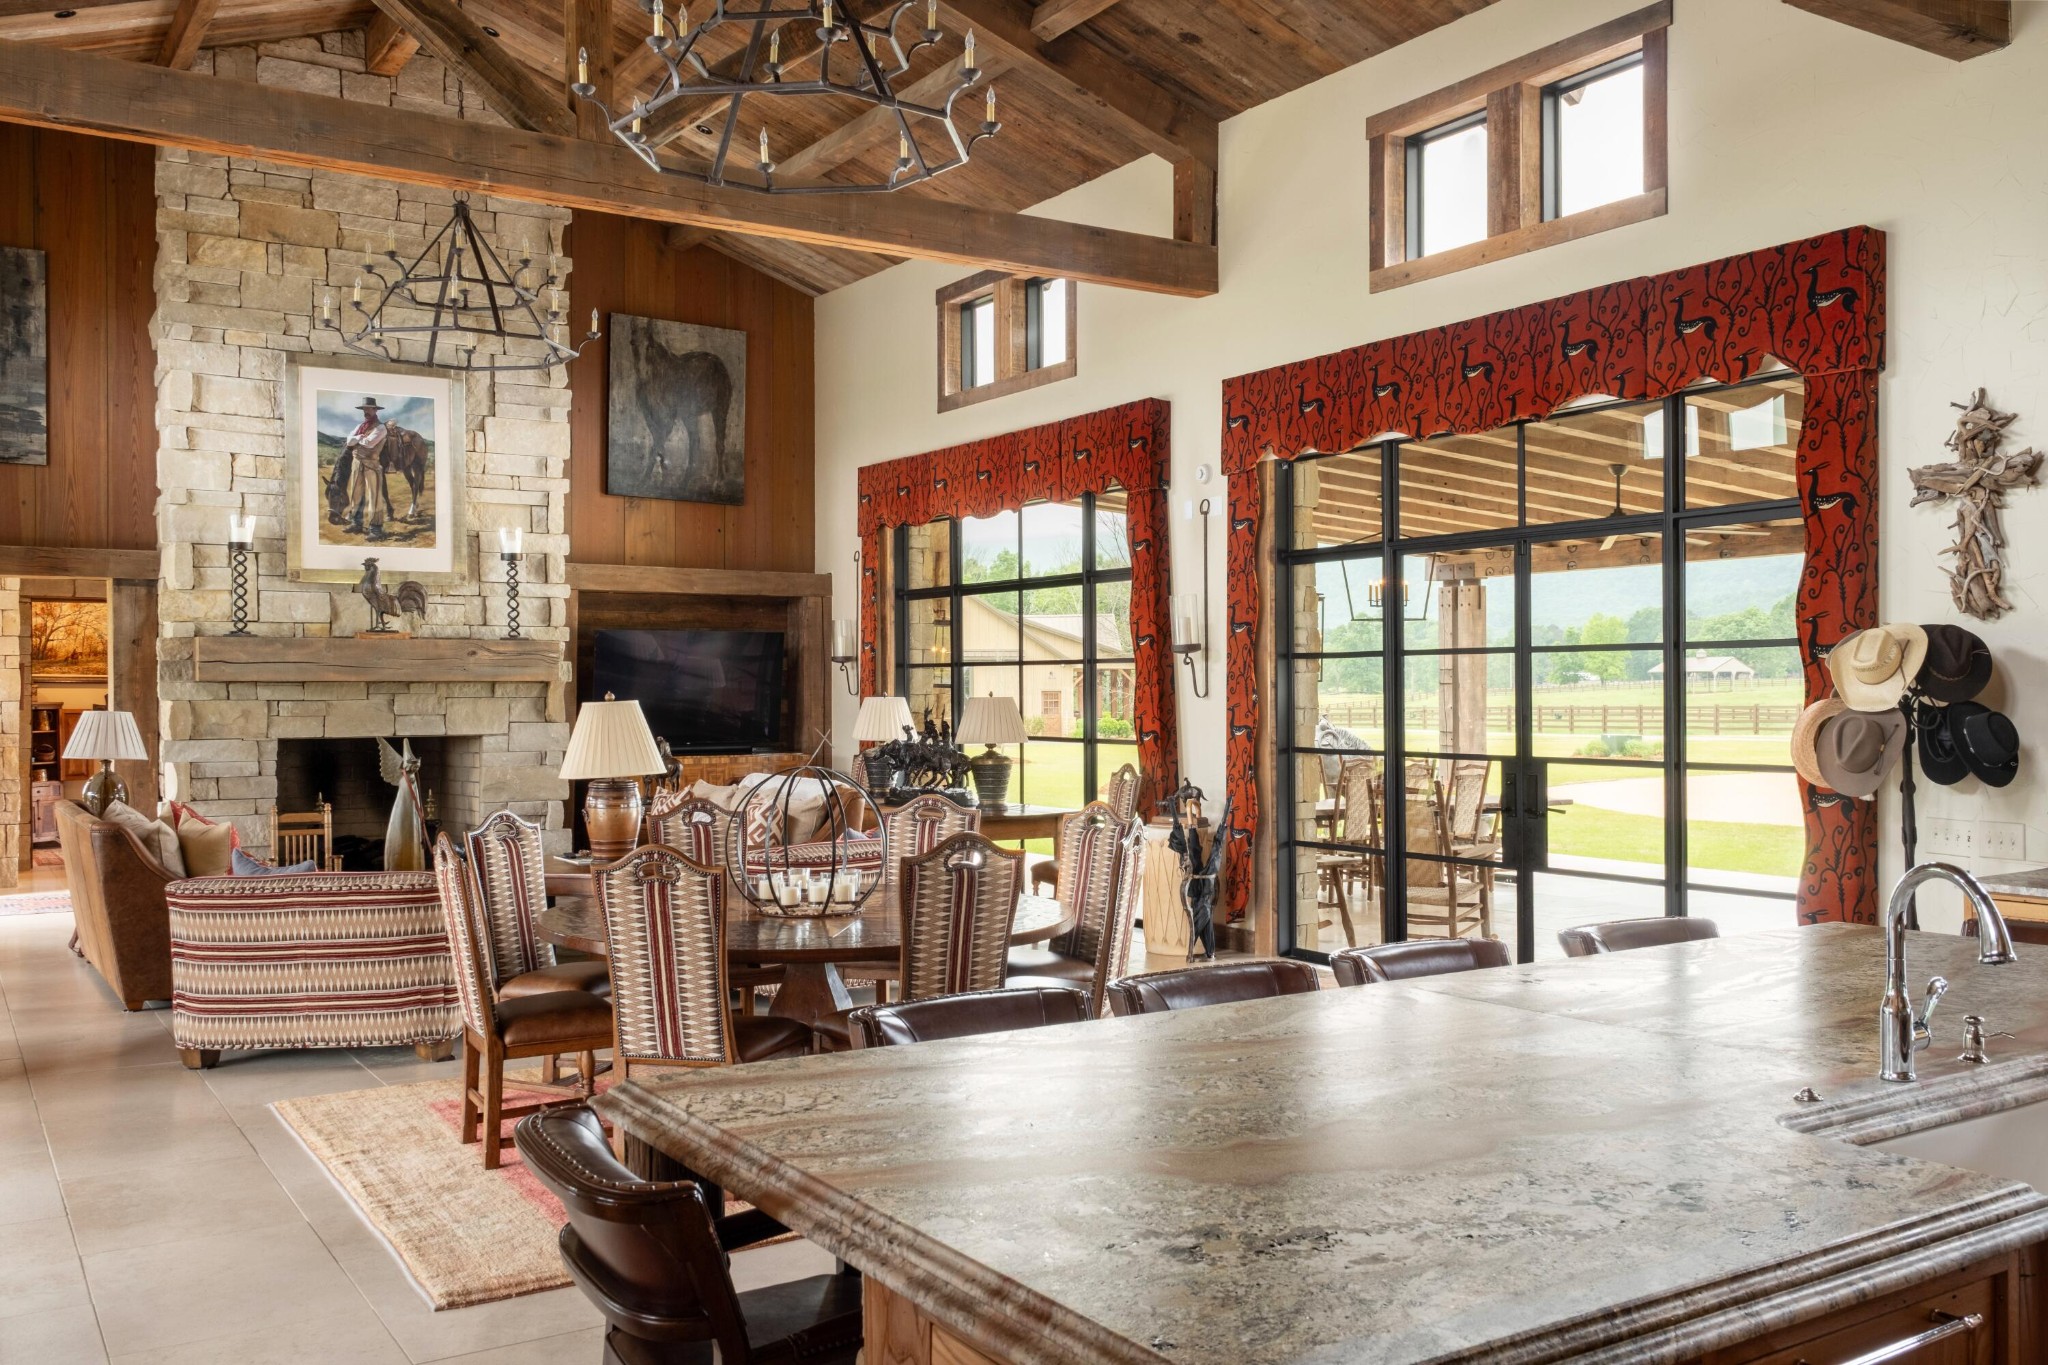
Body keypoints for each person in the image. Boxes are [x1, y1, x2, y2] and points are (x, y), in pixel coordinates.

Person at [343, 397, 395, 537]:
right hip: (357, 463)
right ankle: (356, 523)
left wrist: (358, 438)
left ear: (375, 410)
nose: (366, 411)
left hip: (371, 465)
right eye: (364, 409)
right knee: (355, 493)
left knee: (374, 496)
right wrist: (359, 438)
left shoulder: (380, 427)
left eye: (369, 408)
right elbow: (349, 441)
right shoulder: (361, 426)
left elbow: (369, 443)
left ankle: (375, 529)